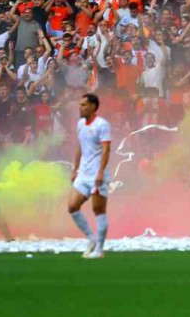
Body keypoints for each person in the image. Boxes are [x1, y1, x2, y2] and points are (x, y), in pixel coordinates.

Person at [68, 92, 111, 258]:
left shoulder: (102, 125)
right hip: (83, 174)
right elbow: (80, 147)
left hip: (97, 175)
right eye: (80, 105)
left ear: (93, 107)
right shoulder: (80, 124)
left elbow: (106, 149)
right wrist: (74, 169)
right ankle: (91, 238)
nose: (80, 108)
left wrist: (100, 172)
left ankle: (99, 250)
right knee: (72, 207)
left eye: (84, 105)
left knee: (98, 210)